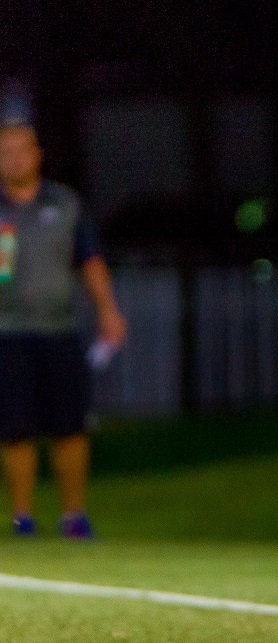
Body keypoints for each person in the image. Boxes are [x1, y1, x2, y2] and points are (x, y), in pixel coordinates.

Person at [0, 117, 126, 538]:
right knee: (15, 426)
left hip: (59, 330)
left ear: (37, 155)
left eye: (21, 150)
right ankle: (23, 518)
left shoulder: (65, 204)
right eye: (5, 152)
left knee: (69, 424)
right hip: (8, 334)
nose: (14, 159)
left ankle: (73, 515)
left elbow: (89, 260)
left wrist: (108, 310)